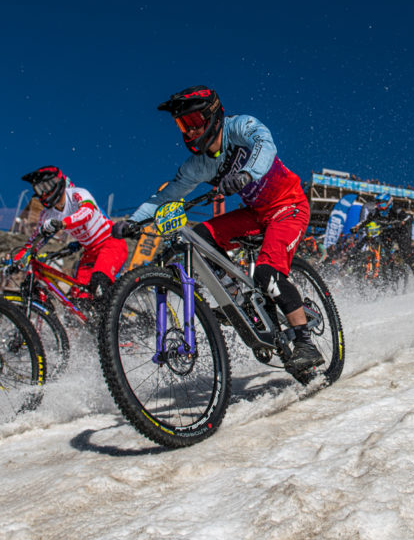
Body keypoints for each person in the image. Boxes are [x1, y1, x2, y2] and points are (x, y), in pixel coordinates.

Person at [112, 85, 322, 373]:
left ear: (213, 115)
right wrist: (134, 221)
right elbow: (166, 197)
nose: (189, 131)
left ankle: (305, 342)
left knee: (267, 272)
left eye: (194, 122)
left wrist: (246, 173)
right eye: (182, 124)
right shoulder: (198, 166)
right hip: (254, 213)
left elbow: (265, 144)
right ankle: (239, 297)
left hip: (288, 205)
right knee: (198, 239)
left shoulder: (240, 127)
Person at [20, 166, 129, 301]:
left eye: (47, 186)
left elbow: (87, 211)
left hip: (110, 244)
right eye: (39, 189)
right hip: (89, 253)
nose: (44, 193)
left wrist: (62, 223)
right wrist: (17, 259)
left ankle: (113, 320)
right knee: (79, 296)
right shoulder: (46, 214)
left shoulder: (78, 193)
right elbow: (35, 240)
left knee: (99, 283)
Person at [351, 193, 414, 291]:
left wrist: (402, 221)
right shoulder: (376, 212)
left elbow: (409, 218)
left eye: (382, 204)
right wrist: (357, 227)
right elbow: (366, 221)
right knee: (378, 240)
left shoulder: (396, 209)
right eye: (378, 204)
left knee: (407, 255)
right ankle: (385, 265)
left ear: (389, 203)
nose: (379, 206)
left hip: (402, 232)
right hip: (389, 232)